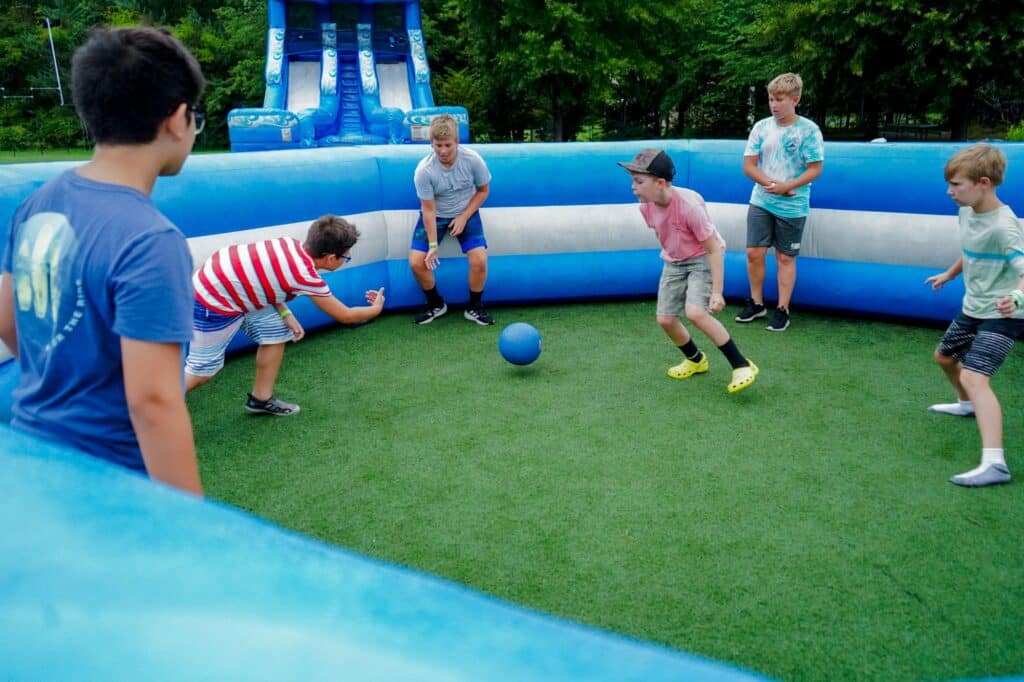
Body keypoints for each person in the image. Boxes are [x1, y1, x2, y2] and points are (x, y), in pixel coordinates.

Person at [0, 27, 205, 495]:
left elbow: (8, 319)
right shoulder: (151, 239)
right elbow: (153, 402)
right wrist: (191, 525)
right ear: (177, 119)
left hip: (35, 452)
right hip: (110, 478)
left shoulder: (39, 203)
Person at [186, 215, 385, 415]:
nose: (345, 259)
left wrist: (285, 312)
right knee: (202, 371)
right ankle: (158, 403)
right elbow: (345, 315)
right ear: (331, 258)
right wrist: (376, 308)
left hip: (225, 284)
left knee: (276, 331)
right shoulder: (304, 275)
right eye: (346, 256)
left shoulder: (289, 244)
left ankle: (260, 399)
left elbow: (263, 280)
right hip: (211, 301)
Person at [618, 149, 759, 394]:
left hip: (701, 258)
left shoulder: (688, 208)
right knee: (666, 319)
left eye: (639, 181)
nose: (633, 187)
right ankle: (696, 360)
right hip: (674, 260)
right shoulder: (646, 207)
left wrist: (717, 292)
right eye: (633, 181)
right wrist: (674, 259)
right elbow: (667, 236)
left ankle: (741, 364)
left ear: (660, 183)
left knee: (695, 312)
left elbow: (714, 249)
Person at [925, 144, 1024, 487]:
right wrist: (949, 274)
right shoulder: (967, 211)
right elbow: (971, 249)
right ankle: (967, 406)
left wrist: (1016, 296)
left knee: (974, 376)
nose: (949, 191)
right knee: (944, 357)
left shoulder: (1004, 226)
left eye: (957, 185)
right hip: (974, 306)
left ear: (984, 182)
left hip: (1004, 313)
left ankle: (995, 463)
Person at [735, 72, 824, 332]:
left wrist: (788, 187)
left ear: (794, 99)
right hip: (761, 200)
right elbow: (749, 165)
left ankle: (783, 309)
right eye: (771, 99)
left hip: (793, 204)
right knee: (754, 252)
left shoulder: (809, 130)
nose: (774, 104)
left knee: (785, 258)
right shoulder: (761, 127)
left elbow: (815, 169)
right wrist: (771, 186)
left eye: (780, 99)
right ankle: (756, 302)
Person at [408, 114, 494, 325]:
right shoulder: (424, 171)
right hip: (435, 215)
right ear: (431, 143)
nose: (443, 151)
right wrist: (433, 245)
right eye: (438, 145)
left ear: (457, 142)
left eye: (448, 145)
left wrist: (464, 217)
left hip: (466, 211)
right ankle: (436, 303)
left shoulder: (473, 160)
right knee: (416, 263)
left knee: (480, 260)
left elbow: (483, 191)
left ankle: (474, 306)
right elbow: (428, 209)